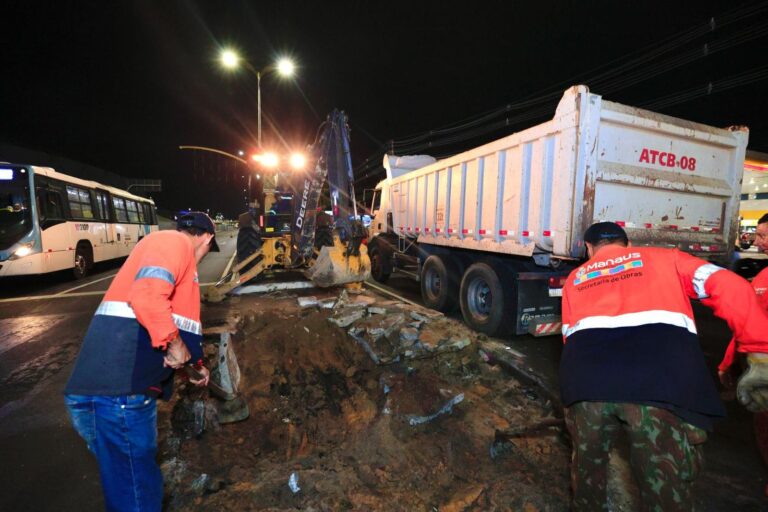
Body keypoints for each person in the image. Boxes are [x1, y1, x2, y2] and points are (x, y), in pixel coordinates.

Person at [560, 221, 768, 511]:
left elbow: (569, 337)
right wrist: (759, 350)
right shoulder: (666, 258)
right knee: (664, 488)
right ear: (628, 244)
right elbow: (728, 285)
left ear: (589, 249)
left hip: (585, 387)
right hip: (659, 386)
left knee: (587, 477)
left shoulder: (575, 278)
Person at [64, 211, 219, 512]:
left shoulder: (173, 258)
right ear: (207, 238)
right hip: (119, 395)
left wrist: (194, 366)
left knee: (128, 483)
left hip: (111, 394)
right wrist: (173, 344)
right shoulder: (172, 241)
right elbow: (148, 298)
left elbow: (171, 325)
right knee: (137, 494)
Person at [718, 212, 768, 493]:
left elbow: (743, 324)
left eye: (762, 235)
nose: (757, 242)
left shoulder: (764, 280)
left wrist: (727, 364)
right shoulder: (762, 276)